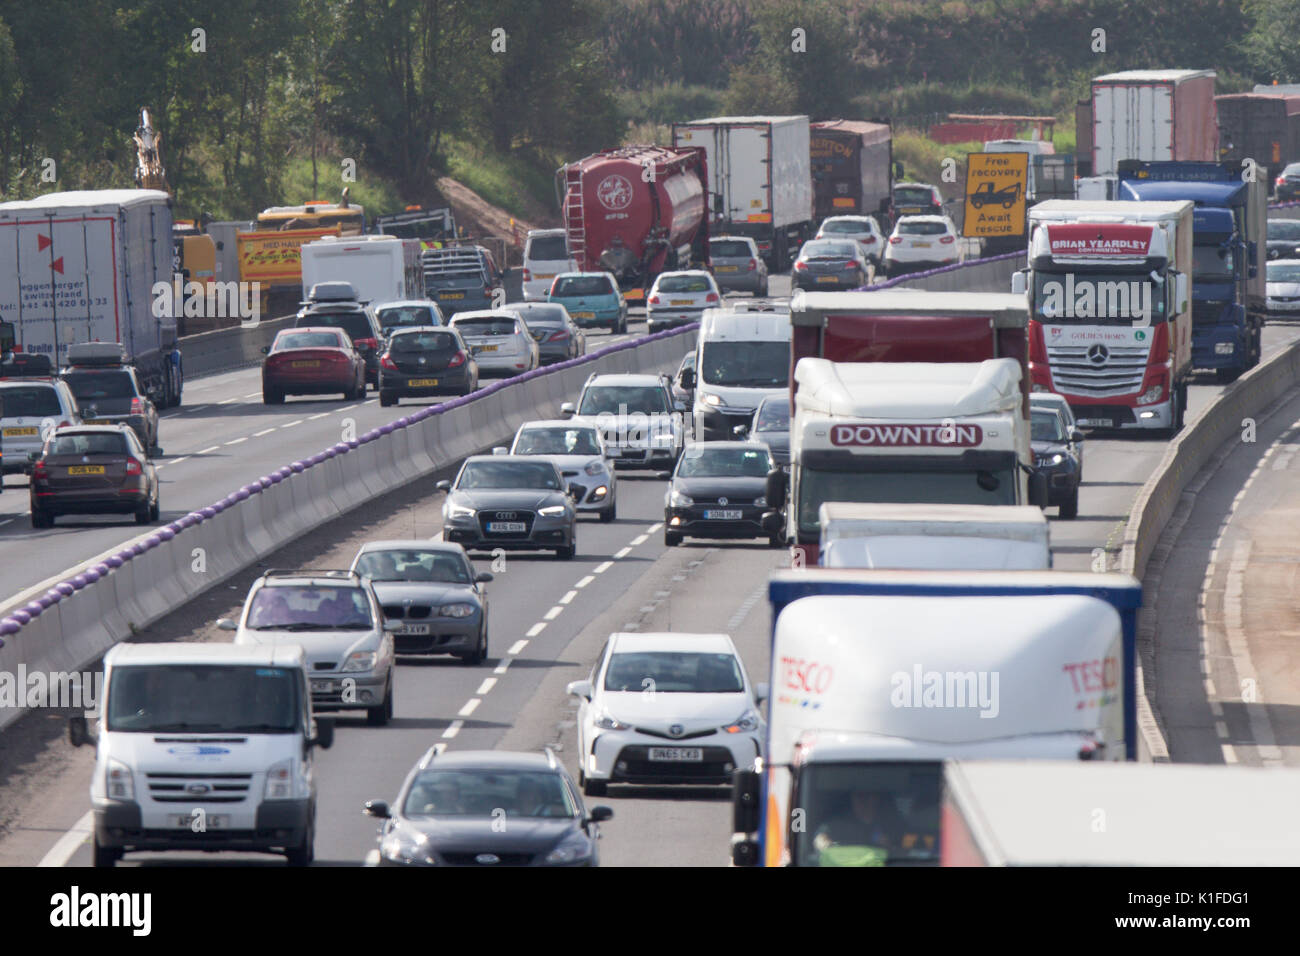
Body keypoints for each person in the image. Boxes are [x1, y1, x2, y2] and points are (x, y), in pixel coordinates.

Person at [813, 788, 908, 862]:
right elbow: (821, 838)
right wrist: (826, 845)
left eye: (868, 795)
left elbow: (908, 852)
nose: (863, 800)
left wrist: (890, 847)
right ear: (851, 799)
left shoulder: (894, 825)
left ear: (877, 798)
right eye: (859, 795)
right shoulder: (839, 825)